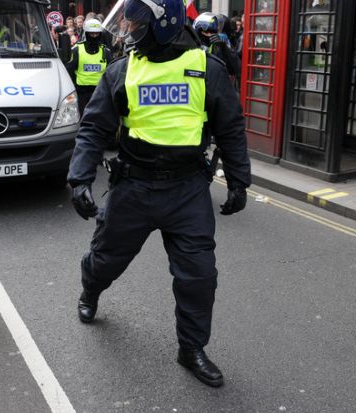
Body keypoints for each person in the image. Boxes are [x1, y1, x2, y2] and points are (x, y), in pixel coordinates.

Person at [68, 0, 251, 387]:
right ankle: (91, 288)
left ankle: (191, 349)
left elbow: (231, 128)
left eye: (137, 23)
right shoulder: (122, 70)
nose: (130, 30)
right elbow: (94, 128)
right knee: (106, 259)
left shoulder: (206, 69)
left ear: (163, 24)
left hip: (187, 190)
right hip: (133, 187)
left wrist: (239, 180)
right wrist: (79, 178)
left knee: (199, 276)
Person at [65, 18, 113, 115]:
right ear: (86, 33)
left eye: (97, 34)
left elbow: (111, 74)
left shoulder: (105, 51)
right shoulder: (77, 49)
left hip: (100, 93)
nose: (94, 36)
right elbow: (69, 70)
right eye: (92, 34)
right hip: (82, 94)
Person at [192, 12, 240, 79]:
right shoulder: (190, 49)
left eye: (213, 32)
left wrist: (224, 48)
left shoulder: (218, 48)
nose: (209, 35)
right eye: (206, 32)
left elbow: (235, 69)